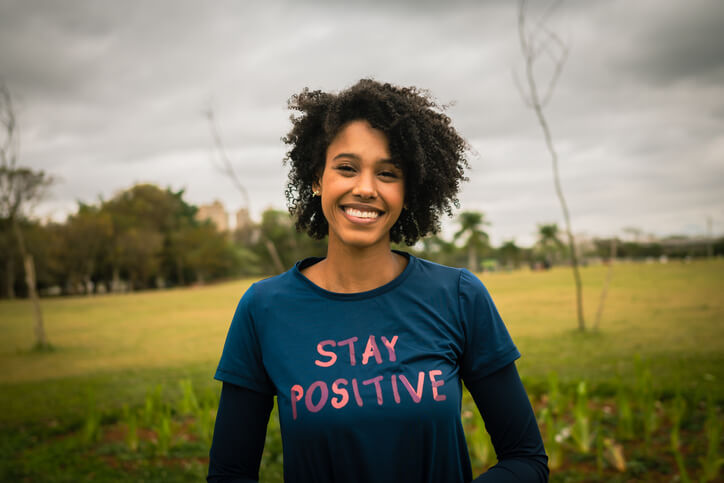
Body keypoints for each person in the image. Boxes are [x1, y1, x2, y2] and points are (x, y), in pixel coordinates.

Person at [207, 79, 548, 483]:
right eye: (347, 168)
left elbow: (526, 459)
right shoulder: (264, 308)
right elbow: (230, 474)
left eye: (387, 173)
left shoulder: (457, 296)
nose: (365, 188)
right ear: (317, 178)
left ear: (408, 189)